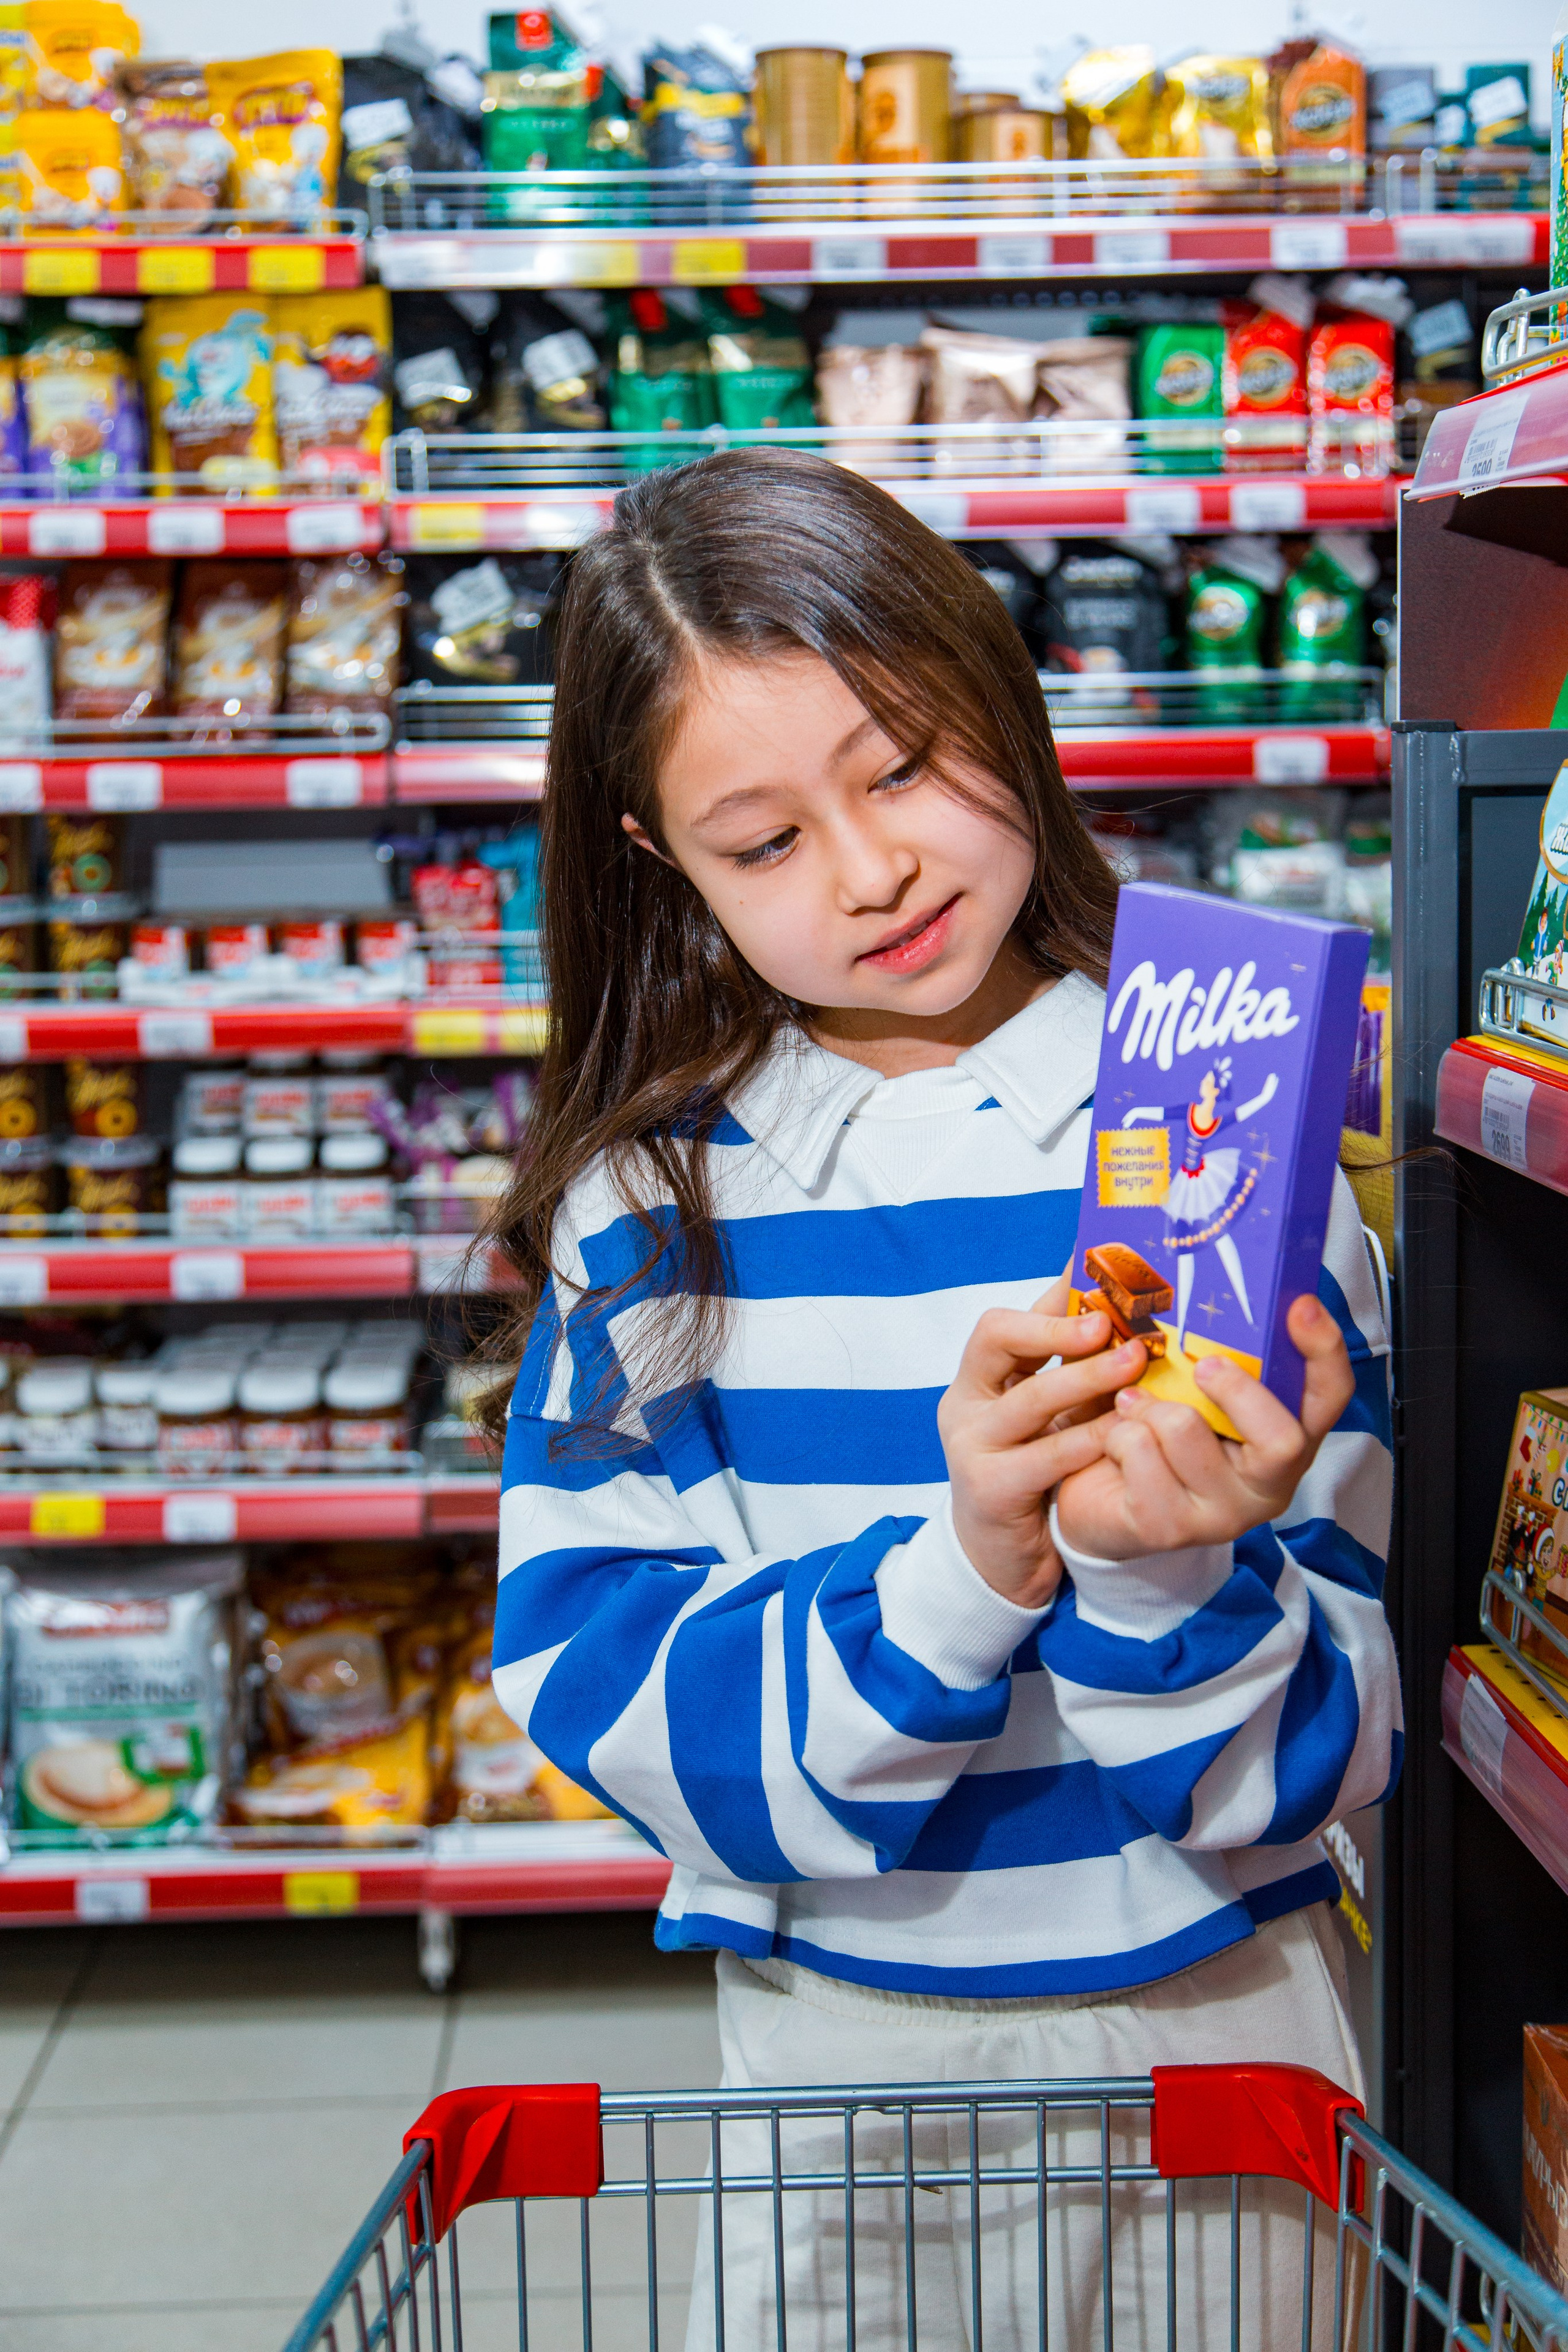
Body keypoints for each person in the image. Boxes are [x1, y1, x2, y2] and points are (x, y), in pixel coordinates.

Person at [483, 449, 1400, 2351]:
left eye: (903, 765)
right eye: (765, 843)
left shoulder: (1239, 1140)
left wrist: (1158, 1573)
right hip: (847, 2051)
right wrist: (969, 1568)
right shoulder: (652, 1216)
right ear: (658, 859)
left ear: (1001, 694)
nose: (876, 869)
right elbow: (599, 1686)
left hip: (1228, 2024)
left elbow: (1324, 1757)